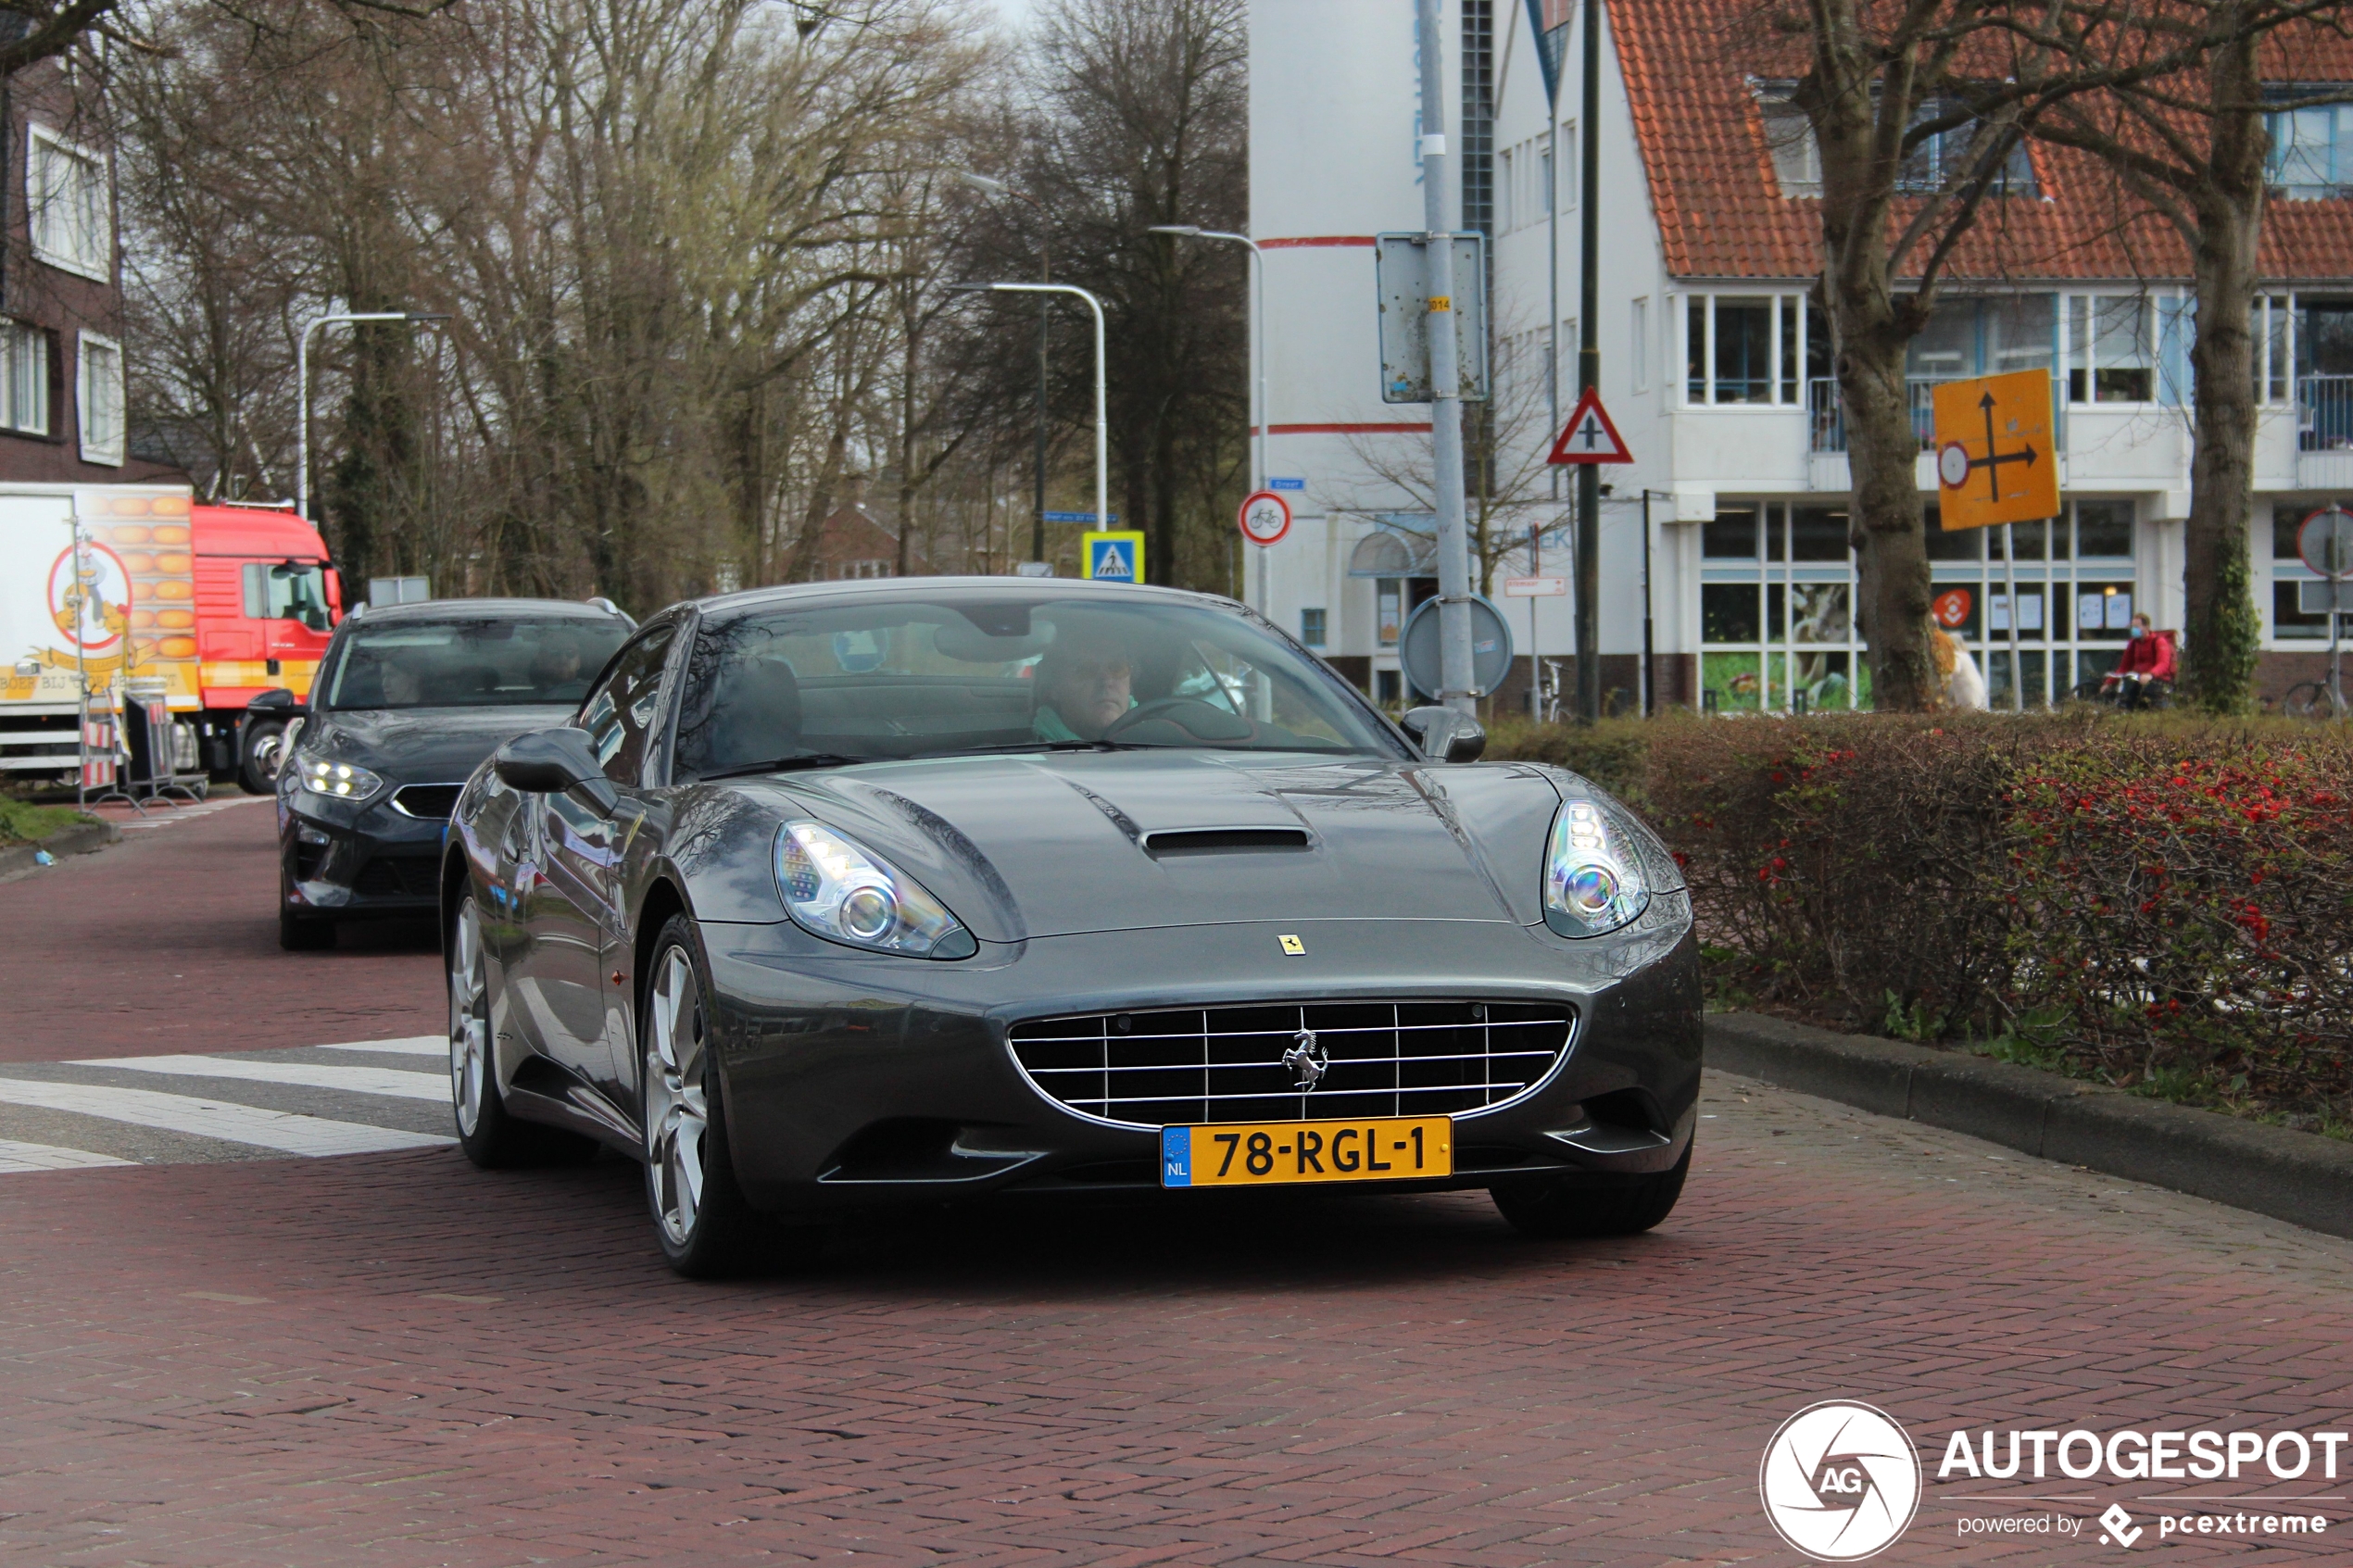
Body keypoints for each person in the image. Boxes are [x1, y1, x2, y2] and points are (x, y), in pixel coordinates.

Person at [1032, 628, 1135, 740]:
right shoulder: (1033, 755)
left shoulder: (1153, 738)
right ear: (1054, 688)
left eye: (1117, 668)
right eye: (1086, 670)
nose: (1107, 681)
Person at [2102, 614, 2175, 709]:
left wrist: (2150, 674)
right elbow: (2124, 667)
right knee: (2128, 702)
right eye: (2132, 627)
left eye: (2136, 627)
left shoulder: (2158, 642)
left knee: (2150, 704)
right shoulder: (2133, 643)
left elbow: (2163, 664)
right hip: (2139, 680)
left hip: (2157, 681)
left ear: (2147, 627)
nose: (2133, 630)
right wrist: (2109, 683)